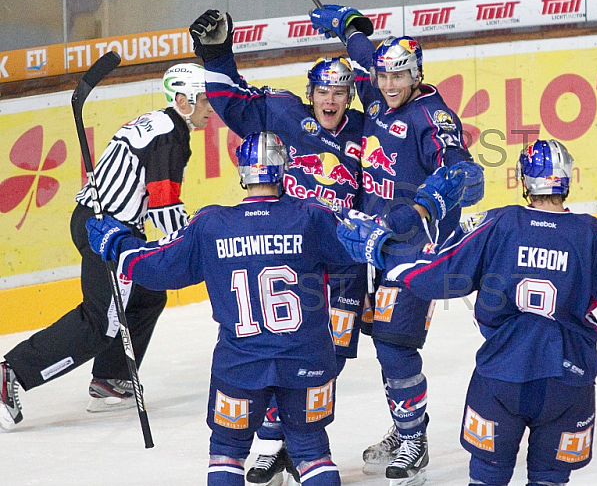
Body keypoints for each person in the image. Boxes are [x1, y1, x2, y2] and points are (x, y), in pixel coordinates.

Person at [83, 131, 468, 486]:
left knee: (227, 454)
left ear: (242, 174)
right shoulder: (312, 217)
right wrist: (423, 207)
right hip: (308, 359)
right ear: (283, 171)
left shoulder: (212, 224)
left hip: (241, 363)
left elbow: (153, 266)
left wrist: (116, 244)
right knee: (313, 451)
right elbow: (375, 236)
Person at [336, 139, 597, 486]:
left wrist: (382, 250)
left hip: (500, 378)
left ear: (525, 181)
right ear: (567, 179)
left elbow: (435, 278)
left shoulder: (498, 225)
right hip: (568, 383)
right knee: (549, 479)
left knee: (487, 476)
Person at [189, 9, 368, 484]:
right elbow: (231, 102)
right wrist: (216, 54)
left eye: (340, 92)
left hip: (342, 268)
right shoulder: (284, 114)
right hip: (290, 259)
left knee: (324, 361)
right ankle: (274, 442)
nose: (331, 100)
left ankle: (294, 436)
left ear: (350, 95)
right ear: (309, 93)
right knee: (279, 345)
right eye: (323, 91)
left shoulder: (367, 133)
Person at [309, 4, 485, 483]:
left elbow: (461, 173)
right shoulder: (383, 94)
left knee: (393, 346)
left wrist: (453, 184)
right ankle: (405, 424)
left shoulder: (433, 118)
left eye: (398, 76)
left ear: (417, 74)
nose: (387, 84)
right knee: (365, 343)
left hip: (414, 254)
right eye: (384, 75)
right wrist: (350, 28)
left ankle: (414, 439)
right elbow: (365, 58)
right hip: (369, 247)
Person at [0, 63, 214, 429]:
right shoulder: (169, 136)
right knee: (101, 323)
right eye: (205, 100)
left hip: (102, 222)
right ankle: (13, 372)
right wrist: (194, 246)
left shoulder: (160, 124)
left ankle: (110, 380)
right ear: (182, 100)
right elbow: (164, 205)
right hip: (108, 233)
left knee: (148, 292)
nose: (212, 108)